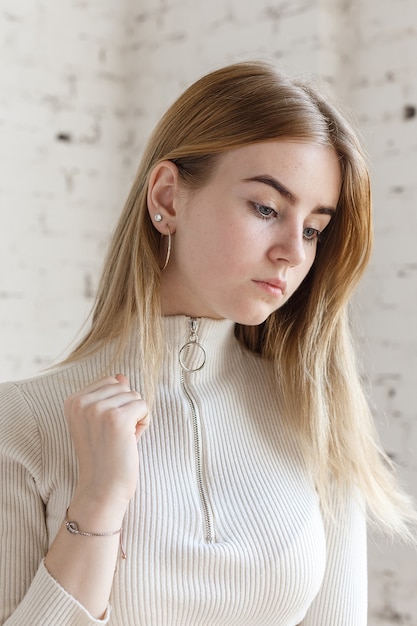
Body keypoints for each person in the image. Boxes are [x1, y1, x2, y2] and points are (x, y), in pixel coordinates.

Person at [0, 61, 415, 626]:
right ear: (168, 198)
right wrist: (97, 502)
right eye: (267, 208)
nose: (294, 251)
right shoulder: (21, 423)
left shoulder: (315, 416)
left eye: (314, 227)